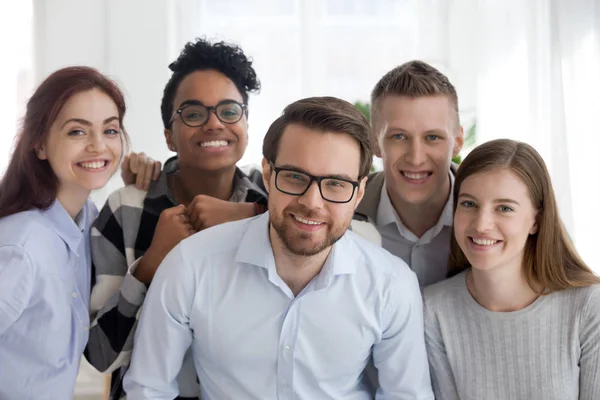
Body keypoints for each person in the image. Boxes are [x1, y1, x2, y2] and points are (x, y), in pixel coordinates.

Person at [122, 96, 434, 399]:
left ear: (359, 191)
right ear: (269, 174)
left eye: (336, 184)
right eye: (296, 177)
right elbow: (149, 389)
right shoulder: (190, 265)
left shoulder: (391, 285)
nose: (312, 203)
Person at [85, 38, 268, 399]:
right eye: (194, 113)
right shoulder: (126, 211)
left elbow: (343, 224)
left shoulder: (271, 197)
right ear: (169, 136)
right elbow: (100, 355)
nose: (215, 124)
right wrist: (149, 265)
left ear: (246, 124)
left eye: (229, 111)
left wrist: (250, 215)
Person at [423, 139, 600, 400]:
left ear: (536, 221)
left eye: (504, 208)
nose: (482, 224)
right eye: (469, 204)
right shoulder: (433, 309)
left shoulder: (588, 306)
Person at [0, 66, 127, 398]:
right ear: (40, 144)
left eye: (110, 131)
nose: (99, 146)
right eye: (77, 132)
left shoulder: (88, 219)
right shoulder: (21, 248)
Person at [355, 60, 464, 286]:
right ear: (375, 142)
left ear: (458, 142)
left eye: (432, 137)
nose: (416, 158)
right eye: (399, 137)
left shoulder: (492, 221)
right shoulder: (341, 215)